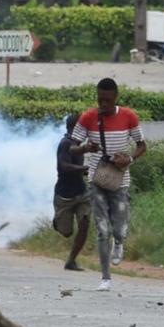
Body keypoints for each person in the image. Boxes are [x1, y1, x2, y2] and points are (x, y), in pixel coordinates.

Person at [70, 78, 147, 292]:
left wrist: (129, 159)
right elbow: (72, 148)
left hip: (120, 179)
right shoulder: (88, 117)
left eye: (107, 99)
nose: (102, 103)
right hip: (96, 179)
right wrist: (86, 148)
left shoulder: (128, 116)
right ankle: (105, 278)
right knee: (103, 230)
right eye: (99, 99)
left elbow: (142, 145)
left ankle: (120, 243)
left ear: (115, 97)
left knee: (120, 228)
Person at [53, 114, 90, 272]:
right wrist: (84, 169)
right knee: (66, 232)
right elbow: (64, 167)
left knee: (84, 225)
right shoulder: (65, 144)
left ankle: (71, 260)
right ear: (74, 128)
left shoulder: (79, 144)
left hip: (81, 193)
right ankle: (57, 223)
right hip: (65, 195)